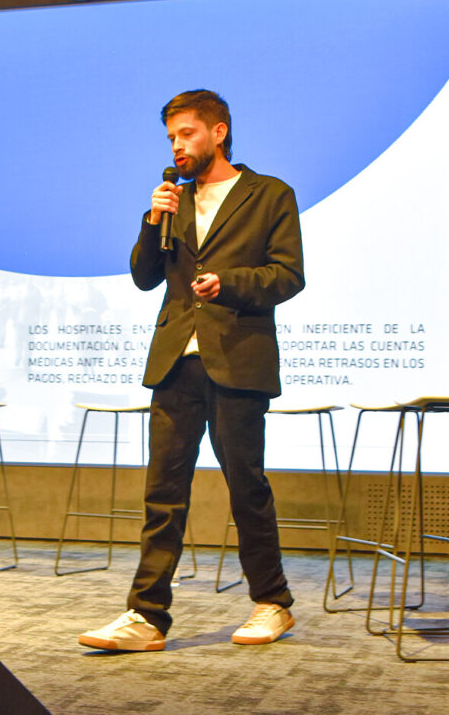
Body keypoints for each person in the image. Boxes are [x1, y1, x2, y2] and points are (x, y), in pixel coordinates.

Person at [79, 90, 306, 652]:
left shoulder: (269, 194)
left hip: (238, 358)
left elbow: (288, 275)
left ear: (218, 131)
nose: (177, 147)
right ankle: (146, 616)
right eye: (171, 138)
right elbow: (144, 277)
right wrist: (152, 219)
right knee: (163, 493)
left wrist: (230, 283)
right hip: (176, 361)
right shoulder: (172, 201)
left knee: (246, 488)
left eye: (187, 134)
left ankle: (272, 603)